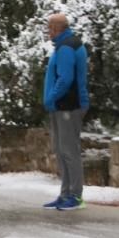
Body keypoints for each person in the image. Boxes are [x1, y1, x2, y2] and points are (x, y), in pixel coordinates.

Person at [43, 13, 90, 211]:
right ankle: (65, 194)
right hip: (61, 107)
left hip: (68, 106)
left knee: (70, 152)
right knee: (62, 151)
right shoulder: (64, 45)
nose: (48, 32)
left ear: (57, 29)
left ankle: (76, 196)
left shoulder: (67, 47)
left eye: (50, 28)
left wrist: (51, 97)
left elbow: (65, 79)